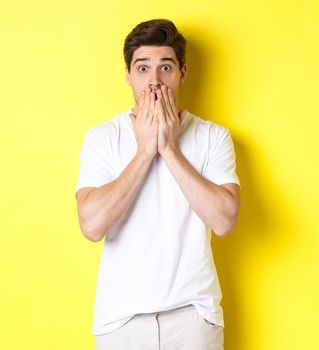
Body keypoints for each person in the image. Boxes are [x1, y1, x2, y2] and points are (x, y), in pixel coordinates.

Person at [74, 18, 239, 349]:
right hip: (121, 319)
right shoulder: (102, 139)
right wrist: (146, 151)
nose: (154, 81)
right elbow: (91, 226)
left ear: (182, 73)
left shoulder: (212, 137)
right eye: (142, 68)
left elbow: (224, 220)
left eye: (165, 67)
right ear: (127, 75)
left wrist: (168, 148)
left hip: (194, 317)